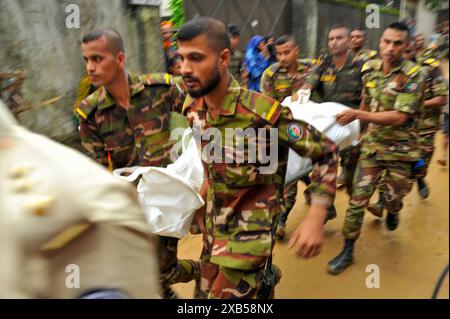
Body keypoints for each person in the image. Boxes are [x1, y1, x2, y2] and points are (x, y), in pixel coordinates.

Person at [177, 16, 338, 299]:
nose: (185, 69)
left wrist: (316, 214)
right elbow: (210, 160)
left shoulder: (263, 114)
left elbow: (325, 150)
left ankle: (261, 278)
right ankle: (264, 284)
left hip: (250, 239)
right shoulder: (193, 108)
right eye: (181, 59)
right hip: (214, 232)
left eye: (196, 58)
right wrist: (203, 198)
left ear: (223, 58)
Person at [74, 28, 198, 298]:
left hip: (173, 193)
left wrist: (197, 130)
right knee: (149, 270)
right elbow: (96, 169)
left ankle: (206, 272)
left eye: (97, 59)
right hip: (135, 200)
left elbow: (197, 110)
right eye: (86, 60)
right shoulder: (91, 113)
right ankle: (192, 276)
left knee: (163, 268)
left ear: (119, 59)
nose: (90, 68)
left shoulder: (160, 88)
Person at [0, 100, 160, 298]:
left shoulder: (44, 180)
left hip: (103, 253)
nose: (92, 68)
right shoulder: (89, 113)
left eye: (97, 65)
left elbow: (111, 204)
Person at [328, 22, 425, 275]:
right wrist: (358, 133)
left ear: (406, 47)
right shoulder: (370, 70)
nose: (390, 48)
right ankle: (348, 249)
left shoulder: (415, 75)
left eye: (397, 43)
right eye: (386, 42)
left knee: (393, 200)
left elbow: (400, 117)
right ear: (380, 42)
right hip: (372, 148)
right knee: (357, 201)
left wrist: (359, 114)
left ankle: (393, 210)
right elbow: (366, 101)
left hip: (401, 152)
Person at [260, 35, 334, 239]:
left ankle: (321, 201)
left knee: (313, 167)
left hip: (310, 128)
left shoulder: (310, 69)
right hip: (285, 131)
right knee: (289, 177)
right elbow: (268, 107)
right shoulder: (271, 74)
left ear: (297, 51)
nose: (282, 57)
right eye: (279, 54)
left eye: (287, 52)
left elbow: (326, 94)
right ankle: (282, 220)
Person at [367, 39, 448, 214]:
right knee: (387, 163)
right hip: (396, 128)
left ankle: (419, 180)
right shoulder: (386, 70)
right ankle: (384, 202)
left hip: (424, 125)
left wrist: (415, 104)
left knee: (419, 164)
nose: (398, 54)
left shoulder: (429, 68)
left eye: (407, 51)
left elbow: (442, 98)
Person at [302, 25, 365, 194]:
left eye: (339, 38)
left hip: (352, 122)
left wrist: (361, 128)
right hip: (329, 121)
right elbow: (310, 82)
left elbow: (367, 98)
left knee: (351, 172)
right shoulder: (324, 61)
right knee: (322, 167)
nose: (334, 43)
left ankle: (353, 197)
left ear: (349, 41)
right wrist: (301, 97)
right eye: (331, 39)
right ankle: (325, 205)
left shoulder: (361, 65)